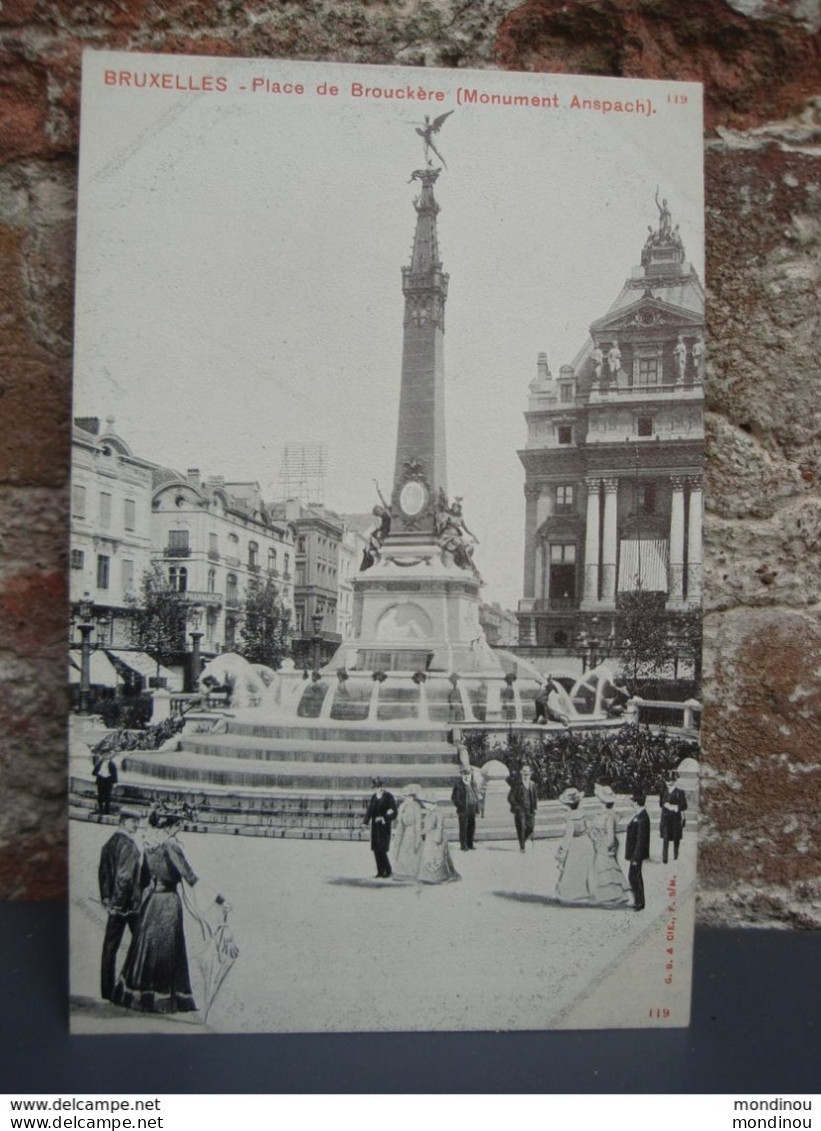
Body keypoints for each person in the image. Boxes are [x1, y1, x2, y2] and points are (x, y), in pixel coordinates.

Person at [111, 810, 199, 1014]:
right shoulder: (172, 845)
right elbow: (190, 876)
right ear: (171, 826)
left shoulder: (149, 846)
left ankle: (136, 994)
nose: (180, 829)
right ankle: (164, 999)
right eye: (179, 825)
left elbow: (143, 879)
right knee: (167, 948)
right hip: (168, 902)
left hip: (152, 902)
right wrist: (218, 899)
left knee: (146, 946)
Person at [98, 809, 144, 1001]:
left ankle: (107, 991)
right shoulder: (129, 846)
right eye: (134, 822)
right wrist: (119, 905)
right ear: (124, 821)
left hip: (115, 905)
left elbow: (103, 875)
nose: (136, 825)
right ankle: (139, 988)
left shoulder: (108, 844)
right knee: (143, 944)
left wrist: (107, 900)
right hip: (129, 907)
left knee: (110, 948)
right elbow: (124, 878)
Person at [587, 783, 631, 907]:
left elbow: (611, 834)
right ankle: (606, 895)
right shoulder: (601, 814)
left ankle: (616, 895)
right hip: (599, 843)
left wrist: (608, 846)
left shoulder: (610, 816)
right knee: (600, 869)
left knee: (607, 868)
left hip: (606, 844)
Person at [555, 788, 593, 903]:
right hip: (586, 841)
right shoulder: (582, 814)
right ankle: (587, 890)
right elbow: (588, 828)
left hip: (576, 843)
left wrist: (563, 850)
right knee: (586, 866)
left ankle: (573, 893)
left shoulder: (570, 818)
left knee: (573, 868)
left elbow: (568, 836)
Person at [416, 797, 459, 883]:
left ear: (430, 803)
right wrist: (420, 833)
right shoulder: (429, 812)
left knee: (438, 857)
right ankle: (427, 877)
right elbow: (427, 826)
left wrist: (437, 839)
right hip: (429, 837)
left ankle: (440, 876)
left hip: (436, 838)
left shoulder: (439, 812)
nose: (424, 805)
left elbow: (440, 826)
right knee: (428, 856)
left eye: (425, 803)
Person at [363, 778, 397, 878]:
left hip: (384, 827)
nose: (378, 789)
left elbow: (394, 812)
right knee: (376, 849)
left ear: (383, 787)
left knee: (382, 849)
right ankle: (380, 871)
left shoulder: (389, 797)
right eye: (376, 788)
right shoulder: (374, 797)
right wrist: (365, 821)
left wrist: (385, 818)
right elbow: (370, 810)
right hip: (375, 827)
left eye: (379, 787)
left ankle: (388, 870)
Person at [392, 785, 425, 880]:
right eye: (406, 796)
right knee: (403, 852)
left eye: (409, 796)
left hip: (413, 831)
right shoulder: (403, 806)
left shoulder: (416, 806)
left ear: (413, 797)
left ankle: (412, 873)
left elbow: (418, 822)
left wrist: (417, 838)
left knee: (412, 852)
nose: (407, 798)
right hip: (404, 831)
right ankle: (402, 873)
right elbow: (399, 820)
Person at [625, 791, 651, 911]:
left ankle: (640, 902)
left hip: (637, 855)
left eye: (633, 802)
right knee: (635, 876)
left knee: (633, 877)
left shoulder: (642, 817)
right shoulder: (639, 815)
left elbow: (641, 840)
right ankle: (639, 901)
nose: (631, 805)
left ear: (637, 803)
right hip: (635, 854)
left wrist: (636, 857)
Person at [508, 764, 538, 853]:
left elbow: (535, 797)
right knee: (520, 827)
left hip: (530, 810)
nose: (526, 775)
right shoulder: (517, 784)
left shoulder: (532, 784)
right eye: (524, 773)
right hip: (520, 810)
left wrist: (535, 807)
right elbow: (510, 797)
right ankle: (522, 847)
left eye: (527, 774)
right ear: (521, 774)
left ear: (530, 774)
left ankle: (523, 840)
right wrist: (516, 806)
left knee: (531, 827)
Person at [659, 771, 688, 863]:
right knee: (665, 837)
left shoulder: (679, 792)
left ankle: (676, 856)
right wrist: (664, 805)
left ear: (674, 781)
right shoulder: (664, 792)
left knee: (676, 838)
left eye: (670, 781)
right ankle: (665, 858)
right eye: (666, 781)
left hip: (675, 818)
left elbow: (684, 805)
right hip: (666, 818)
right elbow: (661, 803)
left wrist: (675, 807)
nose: (668, 783)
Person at [450, 765, 480, 851]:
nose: (467, 775)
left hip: (472, 808)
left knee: (471, 827)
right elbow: (453, 797)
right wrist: (459, 805)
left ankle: (470, 843)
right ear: (462, 774)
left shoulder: (473, 783)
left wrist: (477, 807)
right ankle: (463, 845)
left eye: (468, 773)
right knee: (463, 827)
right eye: (465, 773)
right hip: (463, 809)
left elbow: (476, 796)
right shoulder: (458, 784)